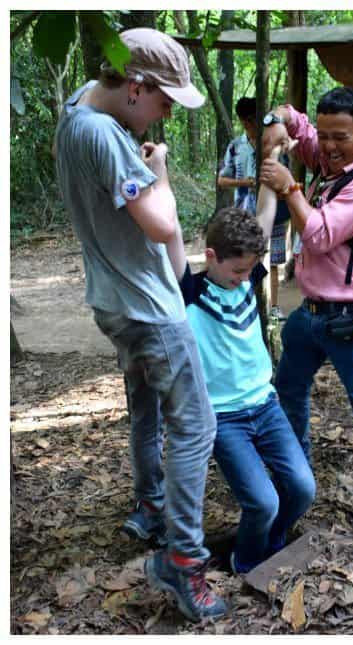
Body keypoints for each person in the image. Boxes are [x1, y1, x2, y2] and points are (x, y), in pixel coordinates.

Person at [54, 27, 225, 620]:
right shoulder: (103, 133)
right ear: (135, 87)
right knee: (195, 428)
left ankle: (151, 507)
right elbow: (159, 223)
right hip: (148, 309)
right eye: (164, 101)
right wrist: (164, 175)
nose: (167, 115)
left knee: (147, 413)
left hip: (115, 300)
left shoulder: (81, 103)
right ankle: (183, 561)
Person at [259, 87, 353, 551]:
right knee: (288, 391)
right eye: (324, 136)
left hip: (351, 321)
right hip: (309, 316)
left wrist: (288, 187)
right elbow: (297, 123)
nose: (326, 146)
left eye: (340, 137)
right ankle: (297, 479)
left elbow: (321, 234)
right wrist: (277, 115)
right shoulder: (328, 165)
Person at [166, 155, 316, 575]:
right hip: (224, 418)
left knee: (302, 489)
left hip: (265, 407)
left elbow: (265, 217)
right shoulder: (189, 291)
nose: (244, 277)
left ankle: (271, 542)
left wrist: (272, 161)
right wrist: (160, 169)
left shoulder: (247, 274)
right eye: (236, 270)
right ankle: (247, 560)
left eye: (249, 269)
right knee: (262, 500)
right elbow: (171, 232)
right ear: (211, 256)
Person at [218, 96, 291, 319]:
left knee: (275, 260)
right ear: (242, 120)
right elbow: (222, 180)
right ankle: (249, 302)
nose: (251, 124)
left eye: (254, 119)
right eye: (247, 120)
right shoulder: (235, 147)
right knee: (247, 257)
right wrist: (246, 182)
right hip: (244, 214)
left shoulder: (273, 143)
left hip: (276, 213)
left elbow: (285, 176)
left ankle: (274, 306)